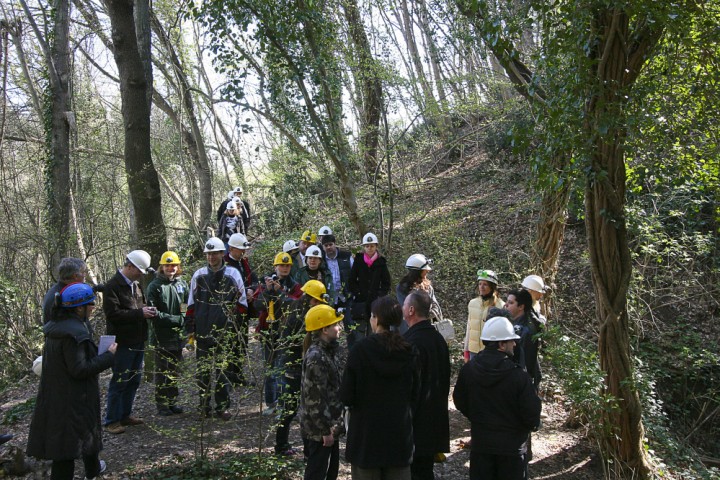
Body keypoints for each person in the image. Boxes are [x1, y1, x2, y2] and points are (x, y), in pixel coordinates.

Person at [27, 283, 118, 480]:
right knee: (65, 452)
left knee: (85, 437)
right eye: (90, 304)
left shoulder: (58, 326)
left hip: (61, 395)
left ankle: (93, 471)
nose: (93, 307)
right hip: (73, 399)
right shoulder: (73, 334)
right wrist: (109, 356)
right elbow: (80, 369)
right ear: (78, 308)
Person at [341, 296, 420, 480]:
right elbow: (415, 394)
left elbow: (346, 395)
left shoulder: (360, 351)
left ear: (375, 319)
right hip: (399, 437)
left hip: (366, 439)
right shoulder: (410, 351)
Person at [453, 316, 542, 480]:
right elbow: (531, 413)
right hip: (511, 451)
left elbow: (460, 400)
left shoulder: (469, 370)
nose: (515, 344)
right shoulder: (518, 376)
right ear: (501, 344)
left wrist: (478, 418)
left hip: (481, 446)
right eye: (511, 341)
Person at [186, 237, 248, 420]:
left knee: (223, 371)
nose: (212, 257)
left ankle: (222, 407)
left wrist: (233, 323)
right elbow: (190, 304)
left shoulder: (233, 274)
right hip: (203, 331)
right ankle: (203, 407)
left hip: (225, 333)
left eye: (215, 253)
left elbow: (242, 304)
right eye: (208, 253)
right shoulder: (198, 275)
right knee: (203, 372)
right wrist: (190, 328)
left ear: (223, 254)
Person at [274, 280, 330, 456]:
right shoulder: (302, 315)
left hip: (294, 364)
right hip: (295, 365)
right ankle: (293, 448)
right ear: (312, 299)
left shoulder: (298, 308)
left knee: (294, 408)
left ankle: (288, 446)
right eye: (318, 301)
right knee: (299, 409)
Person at [103, 249, 155, 434]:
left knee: (133, 379)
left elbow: (138, 306)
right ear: (130, 266)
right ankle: (112, 420)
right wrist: (139, 313)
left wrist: (147, 310)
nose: (141, 274)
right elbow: (113, 314)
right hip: (122, 342)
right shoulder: (112, 286)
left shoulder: (136, 285)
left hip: (138, 339)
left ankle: (125, 414)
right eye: (139, 270)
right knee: (120, 380)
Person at [402, 290, 450, 480]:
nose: (402, 308)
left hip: (416, 424)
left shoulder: (411, 342)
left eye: (404, 305)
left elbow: (410, 387)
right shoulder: (438, 339)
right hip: (434, 420)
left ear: (411, 310)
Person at [298, 304, 345, 480]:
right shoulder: (316, 357)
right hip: (319, 431)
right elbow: (314, 399)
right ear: (324, 329)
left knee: (330, 472)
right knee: (317, 473)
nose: (339, 328)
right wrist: (325, 431)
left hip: (329, 427)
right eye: (335, 325)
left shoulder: (329, 351)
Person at [254, 252, 303, 415]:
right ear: (275, 267)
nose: (284, 268)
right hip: (267, 331)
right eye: (281, 265)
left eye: (287, 265)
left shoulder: (295, 285)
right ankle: (271, 403)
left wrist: (280, 291)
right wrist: (268, 291)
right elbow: (257, 305)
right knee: (270, 369)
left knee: (282, 368)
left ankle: (283, 403)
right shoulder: (264, 282)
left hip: (285, 332)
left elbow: (295, 304)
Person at [146, 251, 189, 416]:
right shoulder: (154, 286)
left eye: (173, 265)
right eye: (167, 265)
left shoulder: (182, 284)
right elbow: (153, 314)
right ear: (161, 267)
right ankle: (162, 404)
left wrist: (183, 318)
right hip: (161, 337)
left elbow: (185, 304)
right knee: (162, 371)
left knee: (174, 371)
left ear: (178, 267)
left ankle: (172, 402)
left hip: (178, 336)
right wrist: (177, 319)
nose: (170, 268)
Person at [224, 232, 260, 385]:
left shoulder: (244, 262)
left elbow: (253, 278)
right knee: (231, 342)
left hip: (244, 309)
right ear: (231, 248)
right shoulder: (225, 264)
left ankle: (238, 373)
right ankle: (229, 374)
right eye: (240, 249)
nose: (243, 252)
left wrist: (251, 290)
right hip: (231, 310)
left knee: (242, 341)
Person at [347, 232, 391, 348]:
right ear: (364, 247)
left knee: (374, 332)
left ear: (376, 246)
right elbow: (351, 280)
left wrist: (379, 296)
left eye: (372, 246)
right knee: (360, 333)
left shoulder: (381, 262)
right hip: (360, 302)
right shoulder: (358, 260)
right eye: (367, 246)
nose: (369, 248)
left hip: (375, 303)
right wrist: (357, 293)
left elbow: (386, 283)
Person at [463, 269, 505, 362]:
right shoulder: (472, 303)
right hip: (473, 351)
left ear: (492, 287)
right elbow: (469, 328)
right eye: (480, 284)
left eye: (485, 284)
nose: (481, 287)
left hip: (491, 353)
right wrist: (466, 351)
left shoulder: (500, 306)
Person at [505, 289, 542, 389]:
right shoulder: (510, 322)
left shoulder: (526, 331)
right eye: (507, 301)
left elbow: (526, 361)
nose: (506, 305)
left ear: (521, 307)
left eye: (511, 302)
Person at [396, 254, 441, 334]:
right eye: (425, 269)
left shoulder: (428, 287)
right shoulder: (402, 288)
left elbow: (436, 307)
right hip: (408, 330)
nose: (428, 271)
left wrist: (427, 315)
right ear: (417, 271)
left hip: (427, 329)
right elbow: (407, 311)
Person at [42, 258, 87, 324]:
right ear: (75, 276)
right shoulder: (60, 295)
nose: (85, 275)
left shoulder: (64, 290)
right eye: (83, 272)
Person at [320, 234, 353, 307]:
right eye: (326, 245)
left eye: (331, 244)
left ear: (335, 244)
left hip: (346, 296)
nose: (329, 247)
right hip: (328, 298)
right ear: (323, 247)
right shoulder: (321, 261)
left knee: (349, 318)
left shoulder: (346, 256)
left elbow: (355, 274)